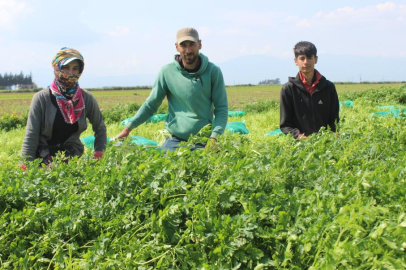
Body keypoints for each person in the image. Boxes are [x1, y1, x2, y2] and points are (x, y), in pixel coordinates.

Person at [116, 27, 228, 151]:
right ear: (176, 47)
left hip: (203, 139)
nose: (188, 50)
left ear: (199, 44)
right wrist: (128, 128)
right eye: (183, 45)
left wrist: (214, 138)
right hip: (174, 139)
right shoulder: (167, 72)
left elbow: (221, 108)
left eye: (192, 45)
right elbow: (151, 104)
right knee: (165, 167)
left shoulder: (213, 71)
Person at [21, 47, 107, 165]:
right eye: (66, 68)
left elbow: (100, 128)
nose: (70, 73)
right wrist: (26, 164)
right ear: (57, 68)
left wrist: (99, 152)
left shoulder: (86, 98)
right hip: (42, 157)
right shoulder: (41, 99)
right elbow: (31, 134)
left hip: (72, 157)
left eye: (75, 69)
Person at [279, 41, 339, 139]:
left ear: (316, 59)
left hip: (325, 143)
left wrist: (332, 135)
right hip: (299, 146)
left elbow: (334, 120)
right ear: (295, 61)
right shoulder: (289, 89)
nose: (306, 62)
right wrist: (299, 136)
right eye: (302, 58)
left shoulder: (328, 87)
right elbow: (285, 125)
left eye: (309, 57)